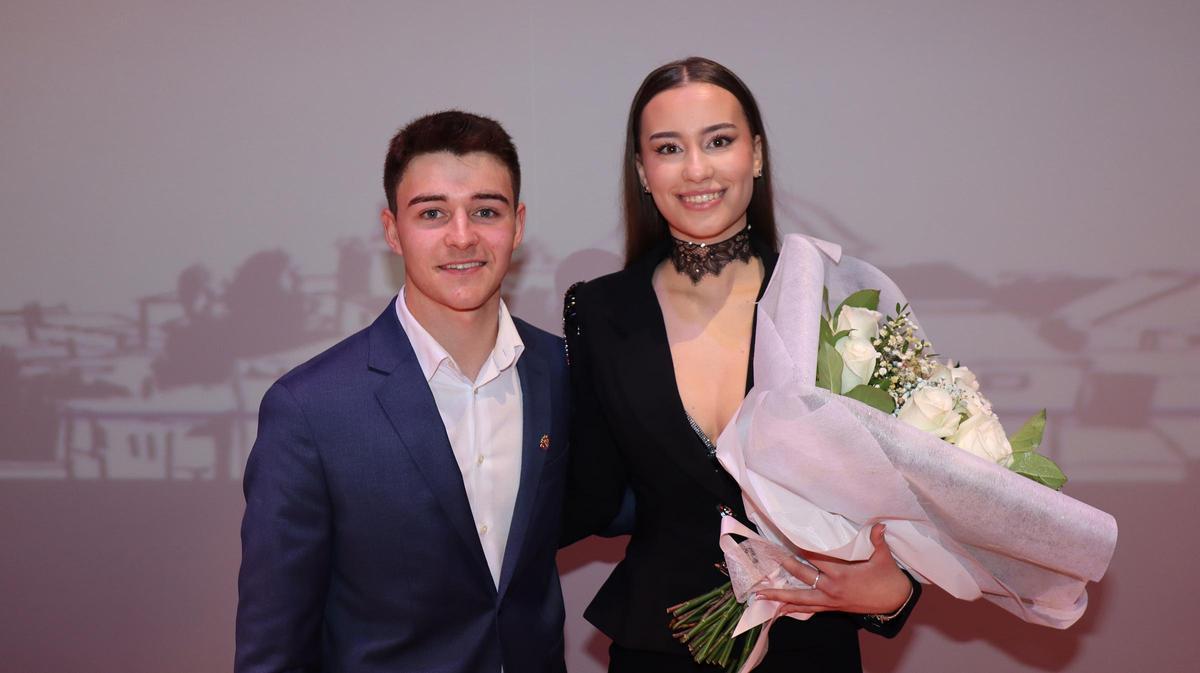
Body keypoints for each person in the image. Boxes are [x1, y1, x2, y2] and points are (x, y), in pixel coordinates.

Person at [561, 57, 920, 672]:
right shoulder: (597, 310)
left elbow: (918, 482)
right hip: (661, 643)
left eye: (719, 142)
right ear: (644, 172)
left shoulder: (836, 299)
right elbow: (586, 495)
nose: (696, 169)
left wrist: (896, 593)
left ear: (755, 154)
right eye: (668, 148)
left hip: (813, 641)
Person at [236, 110, 569, 673]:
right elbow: (275, 642)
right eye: (432, 213)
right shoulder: (310, 409)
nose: (462, 236)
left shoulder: (565, 372)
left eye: (486, 211)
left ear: (518, 224)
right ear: (392, 230)